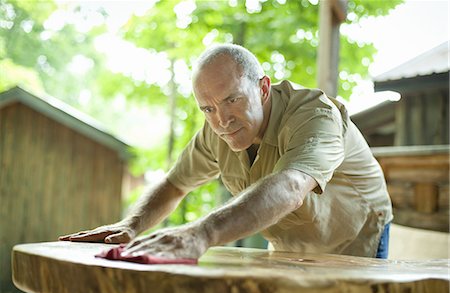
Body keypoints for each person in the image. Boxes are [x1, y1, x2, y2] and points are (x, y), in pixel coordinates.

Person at [60, 44, 393, 259]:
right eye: (208, 108)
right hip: (290, 244)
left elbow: (291, 187)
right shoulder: (216, 129)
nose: (222, 121)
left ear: (263, 87)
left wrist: (200, 232)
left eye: (232, 99)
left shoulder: (314, 115)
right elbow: (176, 184)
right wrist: (132, 225)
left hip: (356, 237)